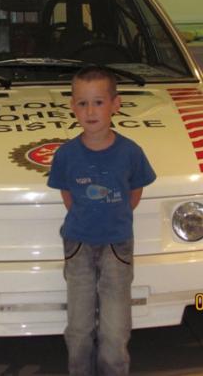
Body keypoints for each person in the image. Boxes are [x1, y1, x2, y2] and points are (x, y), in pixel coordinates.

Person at [47, 66, 156, 375]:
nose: (90, 111)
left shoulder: (131, 152)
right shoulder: (66, 154)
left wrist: (113, 216)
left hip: (117, 247)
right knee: (79, 326)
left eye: (98, 102)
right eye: (82, 103)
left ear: (115, 104)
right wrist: (89, 218)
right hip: (77, 246)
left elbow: (135, 191)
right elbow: (68, 195)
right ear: (72, 107)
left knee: (115, 328)